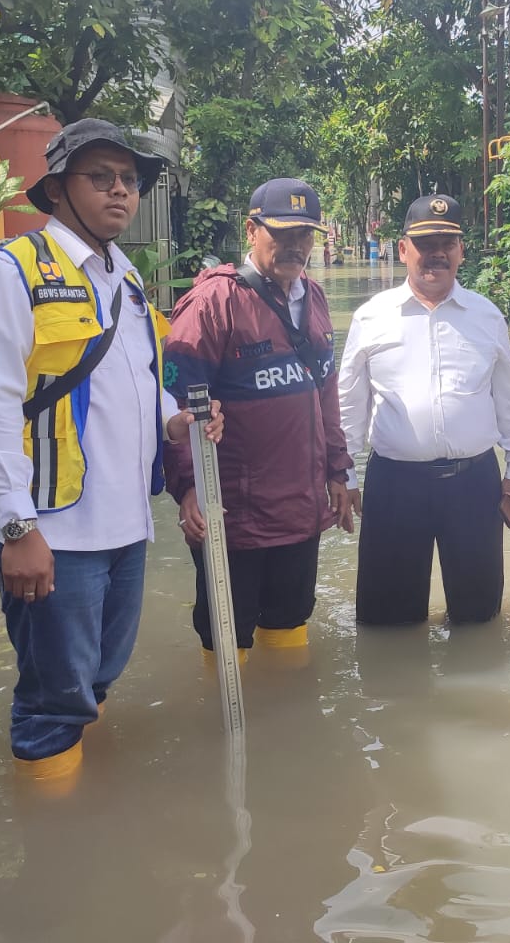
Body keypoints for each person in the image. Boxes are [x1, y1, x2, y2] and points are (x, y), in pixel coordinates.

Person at [0, 118, 220, 782]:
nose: (120, 192)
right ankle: (54, 853)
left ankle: (86, 807)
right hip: (51, 527)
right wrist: (16, 529)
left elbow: (138, 382)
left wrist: (177, 424)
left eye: (129, 180)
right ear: (55, 189)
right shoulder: (8, 275)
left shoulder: (127, 281)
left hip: (123, 525)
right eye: (100, 177)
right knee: (53, 700)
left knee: (97, 678)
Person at [163, 178, 355, 664]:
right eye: (282, 232)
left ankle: (287, 730)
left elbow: (325, 391)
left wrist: (338, 468)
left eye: (306, 234)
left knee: (291, 627)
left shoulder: (312, 297)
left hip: (300, 508)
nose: (295, 245)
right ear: (252, 230)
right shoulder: (214, 303)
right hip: (233, 517)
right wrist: (188, 487)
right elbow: (175, 406)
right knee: (229, 644)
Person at [338, 194, 510, 627]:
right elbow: (349, 404)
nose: (436, 254)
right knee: (388, 624)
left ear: (461, 250)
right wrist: (344, 474)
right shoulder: (372, 317)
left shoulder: (486, 316)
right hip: (394, 485)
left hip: (474, 485)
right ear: (404, 249)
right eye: (426, 244)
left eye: (447, 242)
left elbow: (509, 400)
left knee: (479, 618)